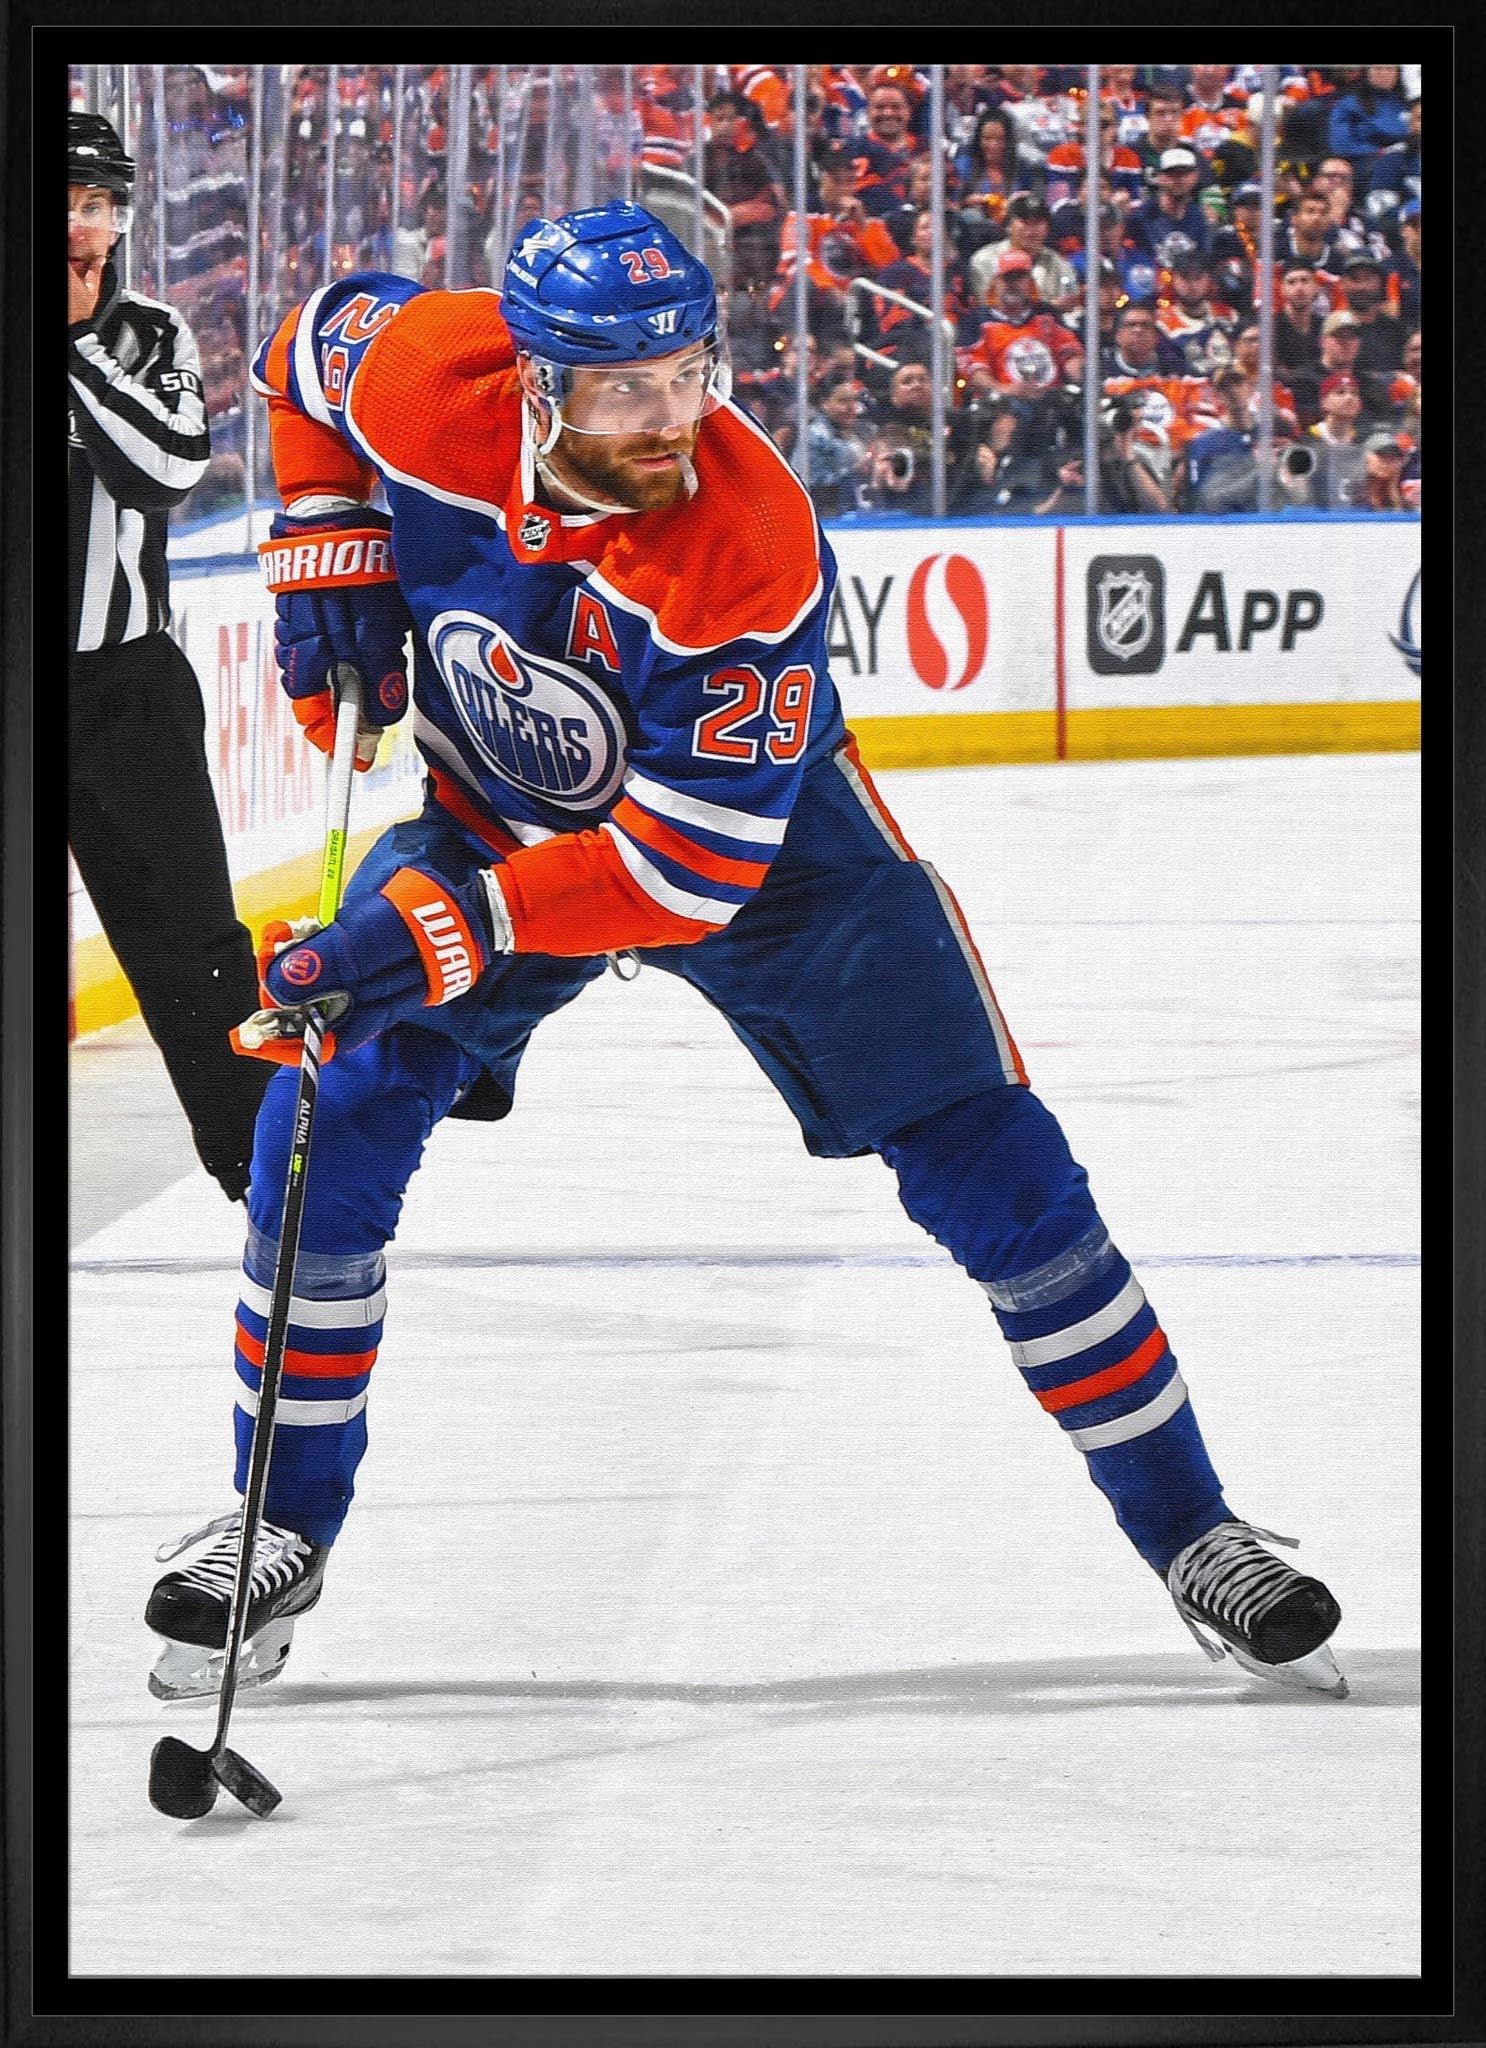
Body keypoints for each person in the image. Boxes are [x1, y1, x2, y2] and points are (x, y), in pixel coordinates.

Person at [144, 201, 1346, 1708]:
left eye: (690, 372)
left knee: (994, 1163)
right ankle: (275, 1530)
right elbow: (300, 356)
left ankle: (1195, 1533)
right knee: (324, 1117)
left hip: (777, 863)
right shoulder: (425, 374)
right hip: (488, 816)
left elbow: (680, 872)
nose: (671, 418)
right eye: (624, 388)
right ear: (528, 379)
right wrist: (322, 535)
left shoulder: (745, 539)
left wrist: (434, 936)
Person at [67, 110, 270, 1204]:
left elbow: (167, 470)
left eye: (97, 202)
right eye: (59, 200)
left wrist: (73, 347)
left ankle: (257, 1166)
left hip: (128, 691)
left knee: (193, 942)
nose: (80, 223)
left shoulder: (152, 333)